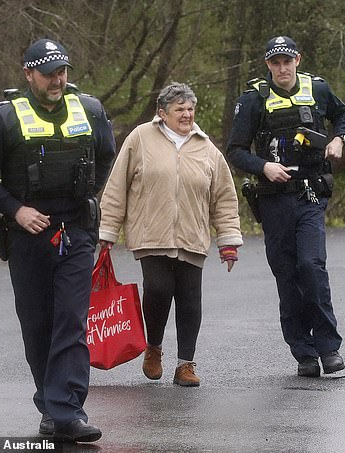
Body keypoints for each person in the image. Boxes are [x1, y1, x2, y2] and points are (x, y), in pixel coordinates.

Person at [0, 38, 116, 441]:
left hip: (76, 231)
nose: (58, 79)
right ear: (28, 73)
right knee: (38, 324)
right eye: (49, 72)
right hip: (27, 234)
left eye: (62, 71)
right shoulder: (4, 118)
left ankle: (69, 411)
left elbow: (106, 156)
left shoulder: (90, 109)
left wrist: (88, 193)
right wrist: (16, 209)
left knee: (71, 319)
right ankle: (50, 407)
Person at [98, 82, 242, 387]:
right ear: (162, 113)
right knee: (159, 288)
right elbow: (117, 186)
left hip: (192, 234)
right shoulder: (140, 138)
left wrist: (228, 240)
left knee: (190, 298)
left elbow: (224, 197)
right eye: (180, 109)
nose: (187, 114)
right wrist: (108, 230)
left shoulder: (206, 148)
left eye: (191, 108)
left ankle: (185, 365)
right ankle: (154, 347)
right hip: (150, 232)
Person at [226, 36, 345, 378]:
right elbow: (235, 150)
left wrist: (339, 139)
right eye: (275, 63)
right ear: (268, 65)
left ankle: (329, 346)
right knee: (287, 273)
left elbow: (343, 116)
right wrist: (263, 167)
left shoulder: (319, 90)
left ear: (298, 59)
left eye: (287, 61)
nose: (282, 68)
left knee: (312, 266)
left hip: (310, 195)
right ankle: (303, 351)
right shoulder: (254, 100)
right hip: (274, 199)